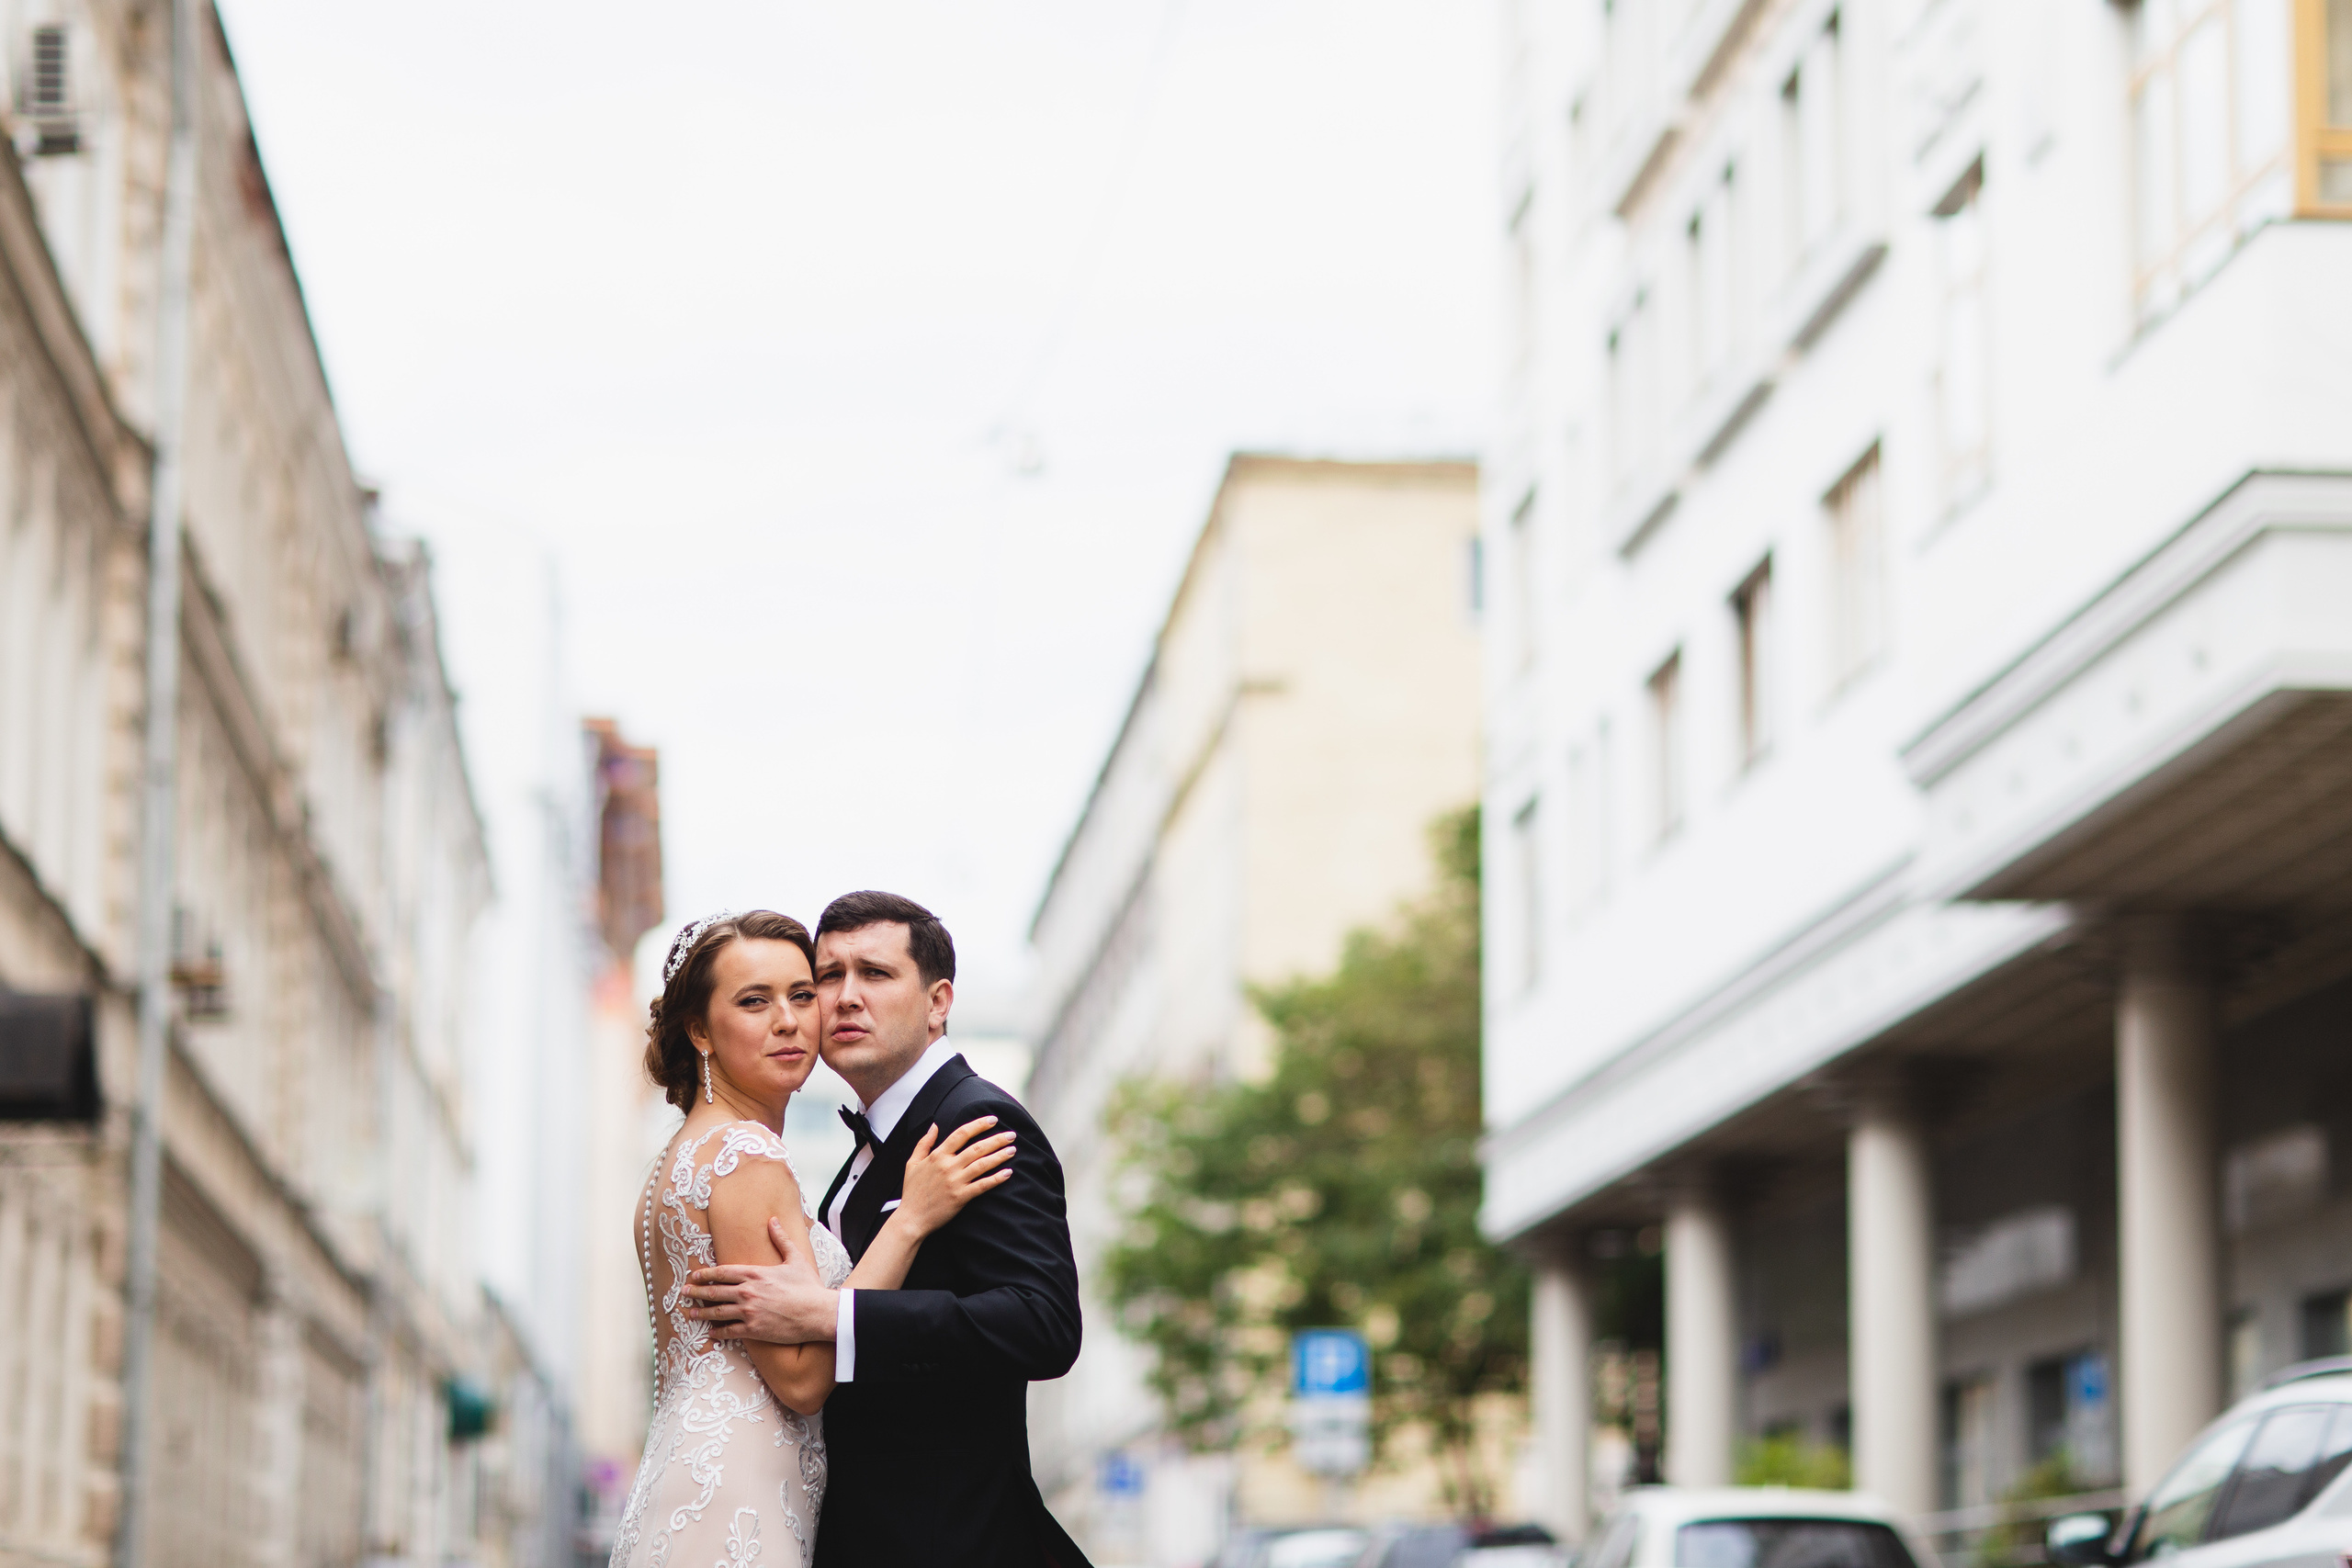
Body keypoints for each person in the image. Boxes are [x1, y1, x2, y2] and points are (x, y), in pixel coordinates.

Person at [681, 891, 1092, 1567]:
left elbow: (1043, 1324)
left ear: (938, 1002)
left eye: (874, 973)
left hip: (952, 1539)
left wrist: (834, 1316)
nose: (844, 996)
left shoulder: (980, 1123)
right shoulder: (865, 1148)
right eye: (829, 976)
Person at [611, 908, 1017, 1568]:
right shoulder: (743, 1155)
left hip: (694, 1471)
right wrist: (909, 1220)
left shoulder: (680, 1155)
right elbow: (799, 1379)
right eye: (753, 1000)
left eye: (802, 995)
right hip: (738, 1493)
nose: (789, 1020)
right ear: (699, 1030)